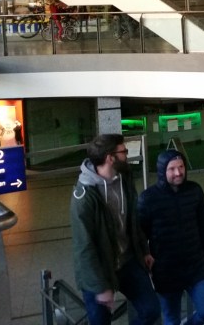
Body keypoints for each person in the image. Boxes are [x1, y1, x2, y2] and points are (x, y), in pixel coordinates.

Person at [70, 134, 160, 325]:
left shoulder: (124, 177)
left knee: (151, 310)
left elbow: (133, 220)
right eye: (124, 151)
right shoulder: (84, 196)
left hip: (127, 261)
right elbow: (84, 247)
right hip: (99, 270)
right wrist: (101, 287)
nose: (127, 155)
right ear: (111, 157)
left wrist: (143, 250)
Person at [137, 150, 204, 325]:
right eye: (172, 169)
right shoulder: (148, 198)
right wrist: (145, 255)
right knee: (171, 318)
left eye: (181, 167)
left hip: (195, 266)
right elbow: (139, 234)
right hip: (166, 271)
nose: (178, 173)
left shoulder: (195, 190)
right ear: (162, 171)